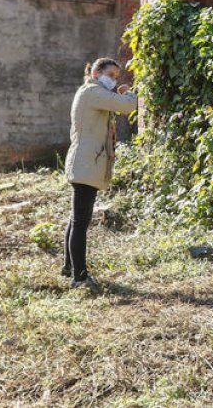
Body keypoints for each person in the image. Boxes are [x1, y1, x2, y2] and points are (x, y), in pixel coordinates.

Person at [61, 57, 137, 293]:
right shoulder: (92, 92)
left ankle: (68, 268)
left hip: (85, 162)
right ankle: (79, 276)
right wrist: (129, 93)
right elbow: (127, 107)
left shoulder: (91, 92)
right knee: (80, 223)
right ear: (95, 72)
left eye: (116, 76)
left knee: (76, 220)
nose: (114, 80)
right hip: (85, 163)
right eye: (111, 74)